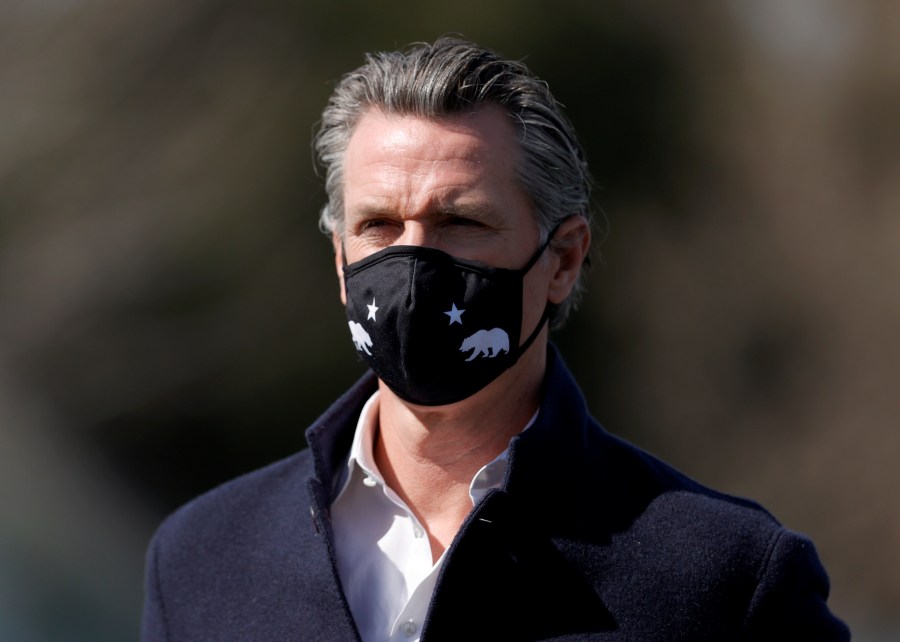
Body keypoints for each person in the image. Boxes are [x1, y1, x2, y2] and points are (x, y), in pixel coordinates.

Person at [140, 36, 850, 641]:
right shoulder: (202, 557)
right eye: (379, 227)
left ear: (563, 260)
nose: (413, 266)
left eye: (462, 224)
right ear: (339, 261)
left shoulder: (724, 582)